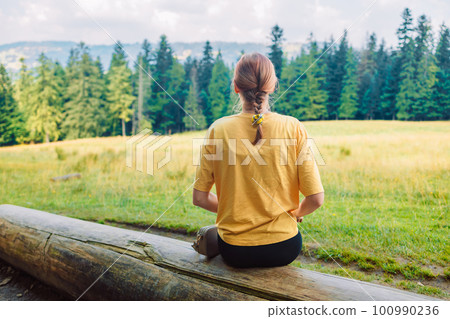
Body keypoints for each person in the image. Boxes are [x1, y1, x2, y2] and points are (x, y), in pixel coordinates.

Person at [192, 52, 324, 268]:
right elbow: (316, 199)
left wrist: (237, 210)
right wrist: (295, 214)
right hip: (285, 248)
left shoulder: (218, 129)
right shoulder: (293, 127)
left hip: (235, 251)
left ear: (236, 87)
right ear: (272, 86)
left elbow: (199, 198)